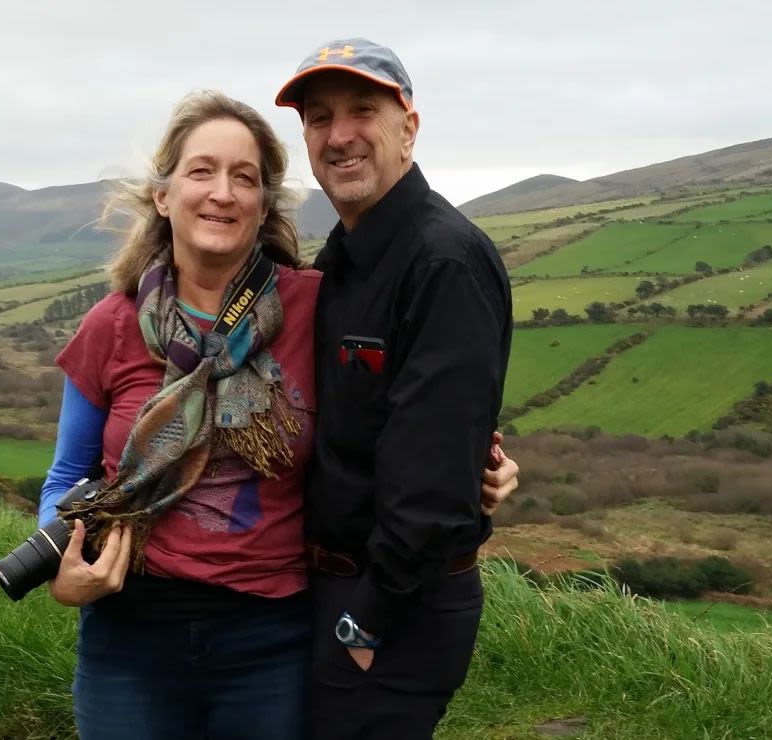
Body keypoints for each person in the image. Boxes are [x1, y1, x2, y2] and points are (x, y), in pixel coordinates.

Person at [37, 89, 519, 740]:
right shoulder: (112, 325)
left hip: (270, 636)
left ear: (264, 205)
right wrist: (63, 572)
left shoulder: (318, 307)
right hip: (130, 633)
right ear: (162, 194)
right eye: (201, 171)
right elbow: (68, 469)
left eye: (245, 178)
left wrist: (478, 469)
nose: (223, 193)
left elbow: (406, 411)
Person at [274, 38, 514, 739]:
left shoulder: (444, 262)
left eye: (362, 111)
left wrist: (366, 622)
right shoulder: (344, 259)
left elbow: (433, 483)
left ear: (408, 127)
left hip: (390, 607)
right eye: (319, 118)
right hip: (335, 588)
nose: (339, 135)